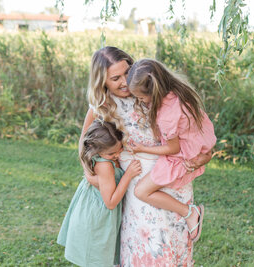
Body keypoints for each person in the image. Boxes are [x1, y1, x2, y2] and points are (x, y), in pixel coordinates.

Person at [80, 46, 213, 266]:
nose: (124, 82)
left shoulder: (153, 91)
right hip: (136, 185)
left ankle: (189, 216)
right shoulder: (103, 106)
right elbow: (85, 144)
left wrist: (206, 155)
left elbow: (194, 128)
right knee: (147, 247)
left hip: (173, 178)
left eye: (127, 72)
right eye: (115, 78)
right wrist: (90, 174)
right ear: (102, 82)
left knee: (172, 245)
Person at [126, 58, 217, 243]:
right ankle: (189, 212)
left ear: (154, 92)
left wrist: (143, 148)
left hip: (181, 155)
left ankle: (190, 213)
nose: (140, 101)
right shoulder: (177, 93)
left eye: (142, 98)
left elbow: (173, 148)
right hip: (196, 143)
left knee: (141, 191)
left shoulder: (166, 115)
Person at [57, 120, 142, 267]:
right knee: (95, 258)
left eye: (120, 149)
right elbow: (110, 203)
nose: (117, 155)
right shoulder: (104, 166)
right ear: (96, 150)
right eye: (111, 153)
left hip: (91, 208)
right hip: (97, 217)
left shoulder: (103, 157)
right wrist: (128, 175)